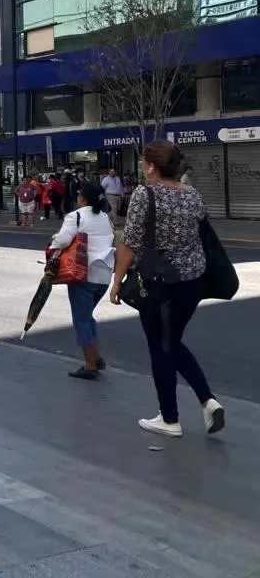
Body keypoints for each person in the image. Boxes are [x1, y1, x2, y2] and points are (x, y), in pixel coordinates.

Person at [110, 140, 224, 437]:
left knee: (161, 347)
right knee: (171, 342)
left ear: (151, 166)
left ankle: (170, 418)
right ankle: (207, 401)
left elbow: (130, 242)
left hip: (157, 284)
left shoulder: (144, 194)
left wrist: (117, 281)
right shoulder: (192, 195)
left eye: (143, 162)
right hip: (192, 282)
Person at [49, 182, 115, 379]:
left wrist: (53, 240)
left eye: (79, 195)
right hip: (103, 274)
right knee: (87, 316)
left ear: (83, 198)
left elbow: (62, 241)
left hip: (82, 274)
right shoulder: (105, 217)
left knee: (81, 320)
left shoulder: (76, 216)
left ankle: (90, 365)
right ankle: (96, 356)